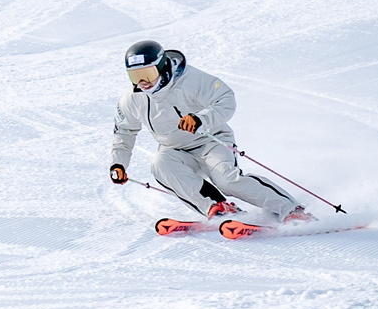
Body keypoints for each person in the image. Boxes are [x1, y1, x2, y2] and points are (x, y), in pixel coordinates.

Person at [108, 39, 308, 221]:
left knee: (227, 181)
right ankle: (217, 207)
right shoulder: (132, 99)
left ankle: (290, 209)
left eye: (147, 74)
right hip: (174, 148)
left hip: (210, 141)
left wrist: (200, 119)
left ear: (161, 66)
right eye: (135, 76)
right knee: (160, 165)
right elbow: (124, 131)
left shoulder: (190, 80)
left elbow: (225, 98)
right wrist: (118, 164)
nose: (143, 82)